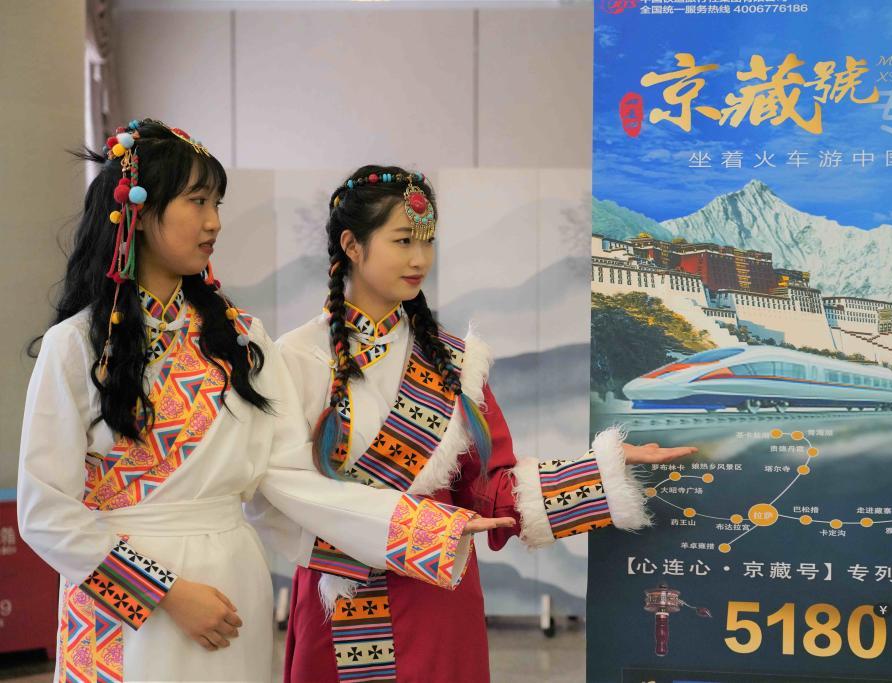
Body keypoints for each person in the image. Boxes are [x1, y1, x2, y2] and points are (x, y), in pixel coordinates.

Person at [17, 124, 510, 683]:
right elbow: (45, 511)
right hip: (123, 597)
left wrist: (424, 531)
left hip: (231, 582)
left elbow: (291, 481)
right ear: (140, 212)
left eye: (217, 204)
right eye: (197, 202)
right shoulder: (76, 346)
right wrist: (166, 593)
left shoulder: (241, 341)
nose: (214, 222)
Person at [276, 165, 697, 682]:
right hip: (338, 594)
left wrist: (603, 469)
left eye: (428, 241)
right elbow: (281, 489)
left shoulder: (455, 362)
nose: (420, 259)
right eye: (403, 240)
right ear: (352, 245)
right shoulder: (295, 357)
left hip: (436, 593)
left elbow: (489, 490)